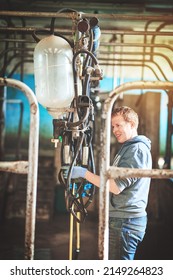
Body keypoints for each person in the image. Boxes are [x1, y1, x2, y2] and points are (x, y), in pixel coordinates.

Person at [69, 106, 152, 260]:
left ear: (132, 124)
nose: (115, 130)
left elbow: (115, 187)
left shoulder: (136, 150)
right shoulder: (128, 148)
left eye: (118, 125)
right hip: (123, 219)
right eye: (113, 126)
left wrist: (84, 174)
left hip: (125, 221)